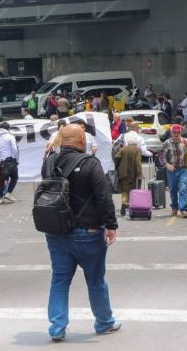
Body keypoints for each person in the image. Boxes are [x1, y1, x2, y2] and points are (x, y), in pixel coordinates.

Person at [40, 124, 120, 342]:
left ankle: (57, 327)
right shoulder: (90, 163)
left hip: (56, 232)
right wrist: (111, 225)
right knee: (95, 280)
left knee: (59, 279)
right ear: (81, 140)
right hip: (88, 232)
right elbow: (103, 197)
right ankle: (104, 322)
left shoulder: (48, 162)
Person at [159, 124, 187, 218]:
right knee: (173, 190)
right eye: (174, 132)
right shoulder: (167, 143)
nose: (176, 134)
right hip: (172, 170)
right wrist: (167, 165)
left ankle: (183, 209)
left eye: (178, 132)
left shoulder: (185, 141)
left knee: (183, 188)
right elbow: (162, 155)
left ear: (181, 132)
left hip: (183, 169)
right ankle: (174, 207)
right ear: (171, 133)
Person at [113, 131, 143, 216]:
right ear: (136, 143)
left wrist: (119, 164)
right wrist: (140, 173)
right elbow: (138, 162)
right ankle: (130, 204)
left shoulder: (123, 149)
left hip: (123, 172)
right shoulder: (137, 150)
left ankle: (124, 202)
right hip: (133, 173)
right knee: (133, 189)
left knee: (124, 189)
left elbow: (116, 157)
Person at [0, 122, 19, 204]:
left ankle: (0, 197)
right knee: (15, 177)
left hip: (0, 163)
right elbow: (15, 149)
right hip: (10, 161)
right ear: (8, 129)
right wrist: (15, 159)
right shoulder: (10, 137)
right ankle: (9, 193)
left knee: (1, 180)